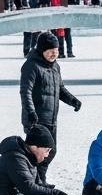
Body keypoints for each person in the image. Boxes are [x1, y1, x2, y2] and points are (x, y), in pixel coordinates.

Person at [19, 31, 82, 181]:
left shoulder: (55, 67)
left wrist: (72, 100)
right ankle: (31, 180)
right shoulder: (31, 66)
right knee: (36, 153)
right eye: (50, 51)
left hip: (51, 118)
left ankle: (38, 178)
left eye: (56, 50)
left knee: (51, 151)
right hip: (36, 120)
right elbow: (25, 91)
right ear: (42, 50)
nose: (54, 54)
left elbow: (59, 89)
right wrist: (31, 112)